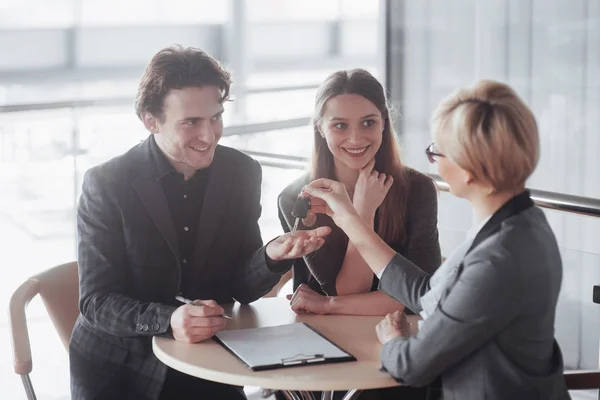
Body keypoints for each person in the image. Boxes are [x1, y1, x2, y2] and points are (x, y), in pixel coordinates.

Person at [69, 45, 330, 400]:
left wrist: (270, 256)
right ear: (151, 120)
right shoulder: (107, 183)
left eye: (216, 118)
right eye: (191, 122)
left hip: (209, 360)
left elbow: (240, 287)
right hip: (122, 368)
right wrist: (170, 319)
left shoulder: (241, 172)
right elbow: (97, 302)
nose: (209, 135)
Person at [300, 80, 570, 399]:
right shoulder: (521, 222)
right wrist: (354, 220)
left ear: (467, 170)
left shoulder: (497, 260)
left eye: (436, 152)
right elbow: (430, 293)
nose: (435, 163)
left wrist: (393, 340)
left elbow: (413, 365)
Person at [277, 69, 441, 399]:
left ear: (384, 123)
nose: (356, 139)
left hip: (396, 351)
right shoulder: (300, 196)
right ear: (320, 128)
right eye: (340, 125)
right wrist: (362, 211)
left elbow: (417, 297)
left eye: (368, 123)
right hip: (322, 354)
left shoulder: (417, 189)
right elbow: (351, 288)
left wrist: (327, 304)